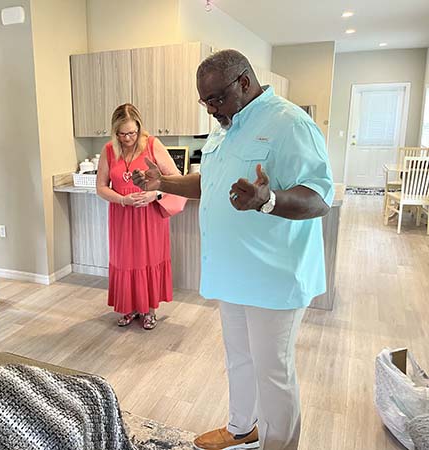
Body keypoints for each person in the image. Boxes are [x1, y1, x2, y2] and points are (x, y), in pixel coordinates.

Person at [132, 49, 334, 450]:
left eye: (216, 99)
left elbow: (319, 197)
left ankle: (279, 445)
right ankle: (243, 429)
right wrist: (163, 182)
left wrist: (268, 200)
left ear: (244, 82)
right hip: (233, 273)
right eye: (204, 101)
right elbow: (209, 180)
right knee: (239, 358)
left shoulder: (291, 123)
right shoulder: (225, 126)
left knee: (272, 371)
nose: (211, 109)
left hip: (274, 276)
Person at [96, 103, 183, 330]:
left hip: (150, 216)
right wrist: (122, 199)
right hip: (121, 216)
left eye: (132, 133)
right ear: (115, 132)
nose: (127, 138)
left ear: (139, 127)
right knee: (125, 262)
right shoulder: (109, 150)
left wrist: (155, 194)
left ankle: (149, 311)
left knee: (148, 260)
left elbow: (176, 178)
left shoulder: (153, 145)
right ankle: (129, 308)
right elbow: (101, 187)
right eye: (122, 134)